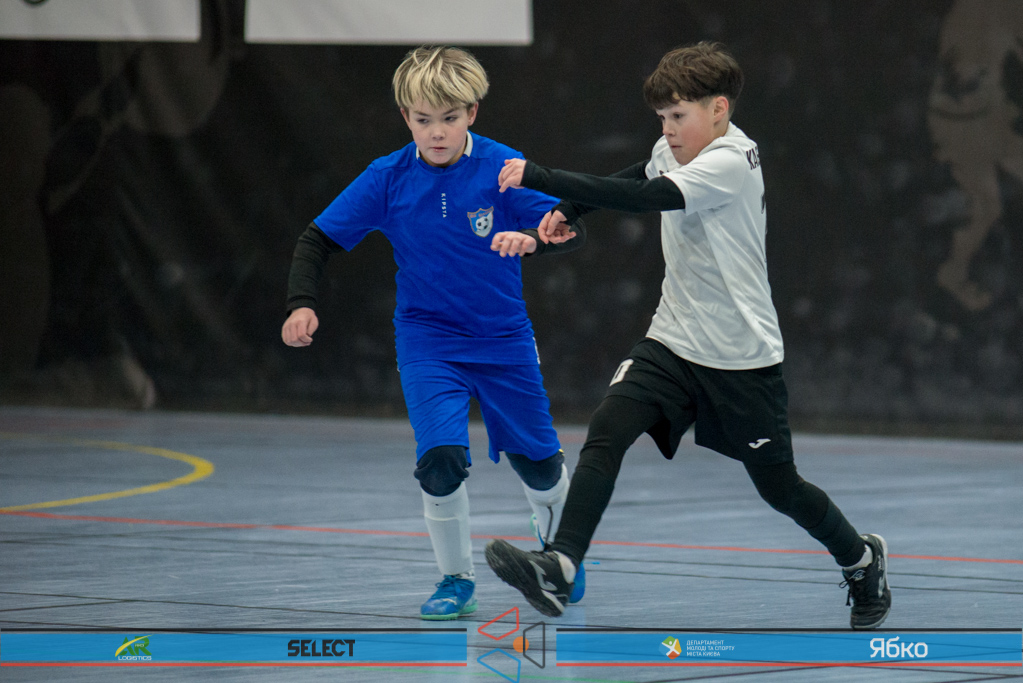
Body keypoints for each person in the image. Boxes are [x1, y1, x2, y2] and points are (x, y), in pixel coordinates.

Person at [484, 41, 891, 630]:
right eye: (661, 117)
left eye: (678, 116)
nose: (668, 130)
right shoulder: (672, 149)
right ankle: (562, 565)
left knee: (780, 488)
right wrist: (568, 211)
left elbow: (649, 197)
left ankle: (861, 559)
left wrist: (540, 178)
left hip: (742, 358)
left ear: (718, 109)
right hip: (673, 341)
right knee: (607, 429)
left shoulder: (731, 161)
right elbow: (640, 172)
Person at [282, 45, 586, 620]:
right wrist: (302, 303)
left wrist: (535, 239)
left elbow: (569, 227)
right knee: (440, 458)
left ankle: (561, 556)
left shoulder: (504, 168)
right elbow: (316, 240)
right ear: (406, 118)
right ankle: (455, 579)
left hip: (503, 340)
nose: (437, 132)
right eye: (424, 120)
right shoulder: (387, 178)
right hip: (428, 341)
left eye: (450, 118)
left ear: (472, 113)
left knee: (538, 463)